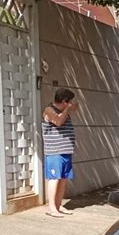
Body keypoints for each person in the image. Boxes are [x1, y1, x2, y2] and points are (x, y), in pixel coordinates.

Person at [42, 88, 78, 217]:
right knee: (54, 178)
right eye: (69, 102)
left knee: (63, 179)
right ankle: (51, 208)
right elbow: (58, 122)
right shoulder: (49, 110)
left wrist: (70, 108)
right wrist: (68, 109)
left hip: (66, 150)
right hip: (54, 151)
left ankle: (58, 205)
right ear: (64, 102)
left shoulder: (64, 111)